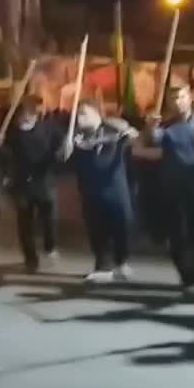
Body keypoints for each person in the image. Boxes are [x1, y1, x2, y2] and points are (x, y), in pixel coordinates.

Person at [147, 83, 194, 298]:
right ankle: (188, 278)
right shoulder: (166, 125)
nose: (177, 102)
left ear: (191, 98)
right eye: (173, 98)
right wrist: (150, 129)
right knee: (178, 235)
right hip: (174, 186)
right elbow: (154, 142)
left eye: (180, 97)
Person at [60, 99, 138, 283]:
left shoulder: (113, 129)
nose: (79, 118)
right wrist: (66, 147)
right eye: (78, 114)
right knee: (96, 229)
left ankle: (121, 262)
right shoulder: (75, 136)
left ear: (96, 113)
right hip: (90, 190)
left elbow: (134, 136)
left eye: (83, 114)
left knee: (121, 227)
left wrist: (125, 132)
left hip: (115, 189)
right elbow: (63, 159)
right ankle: (102, 265)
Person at [2, 95, 63, 272]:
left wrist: (62, 150)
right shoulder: (10, 133)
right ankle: (30, 258)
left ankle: (50, 246)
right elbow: (4, 156)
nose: (27, 117)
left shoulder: (48, 128)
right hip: (22, 183)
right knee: (25, 223)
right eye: (24, 114)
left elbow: (61, 144)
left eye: (31, 114)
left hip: (44, 180)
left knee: (49, 218)